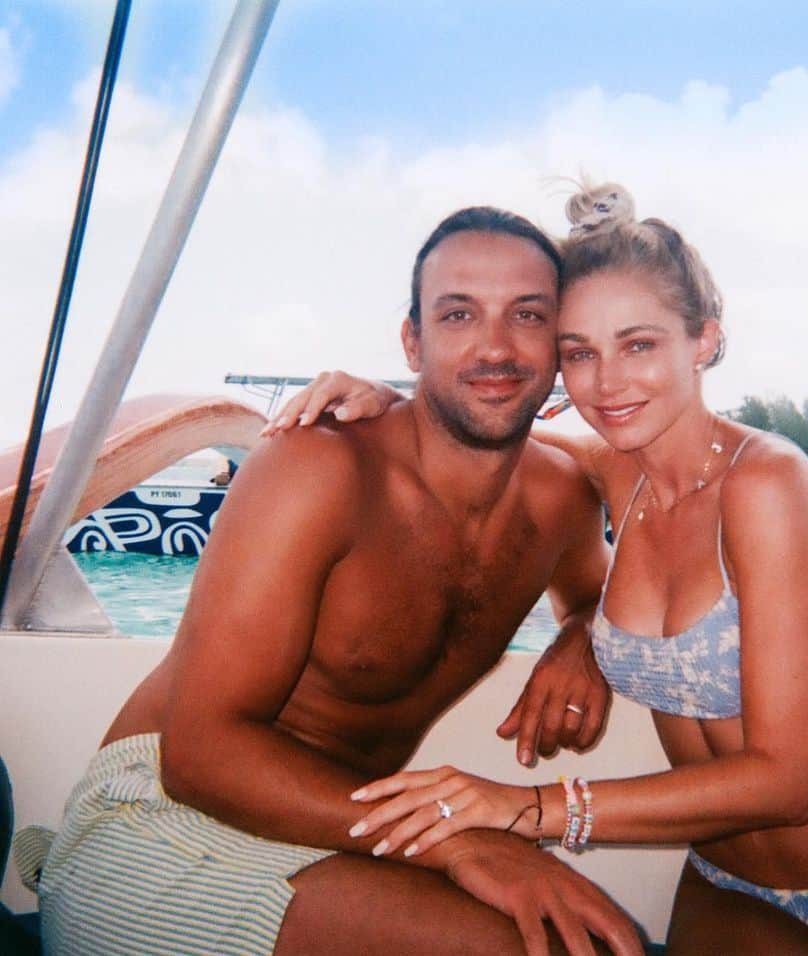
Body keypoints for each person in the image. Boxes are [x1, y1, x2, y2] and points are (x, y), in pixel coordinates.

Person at [279, 184, 808, 954]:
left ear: (701, 339)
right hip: (729, 885)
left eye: (638, 345)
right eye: (579, 354)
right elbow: (469, 430)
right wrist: (388, 398)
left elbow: (785, 778)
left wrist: (524, 808)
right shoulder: (615, 471)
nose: (608, 384)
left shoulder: (767, 482)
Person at [29, 206, 644, 956]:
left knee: (585, 941)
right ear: (413, 343)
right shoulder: (317, 471)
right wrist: (451, 837)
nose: (494, 346)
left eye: (527, 315)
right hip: (157, 818)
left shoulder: (561, 503)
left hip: (338, 827)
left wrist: (584, 636)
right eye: (458, 314)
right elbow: (199, 753)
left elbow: (595, 592)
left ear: (561, 344)